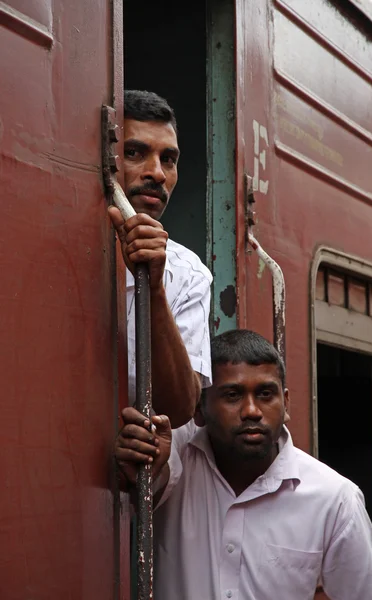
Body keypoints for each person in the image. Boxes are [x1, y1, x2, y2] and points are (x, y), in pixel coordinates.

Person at [115, 329, 372, 600]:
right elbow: (147, 485)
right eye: (232, 395)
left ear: (285, 403)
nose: (251, 411)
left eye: (265, 394)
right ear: (199, 410)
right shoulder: (177, 464)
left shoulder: (335, 499)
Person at [108, 90, 212, 428]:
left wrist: (152, 288)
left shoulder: (188, 273)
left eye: (168, 159)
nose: (158, 173)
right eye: (135, 153)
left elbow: (180, 407)